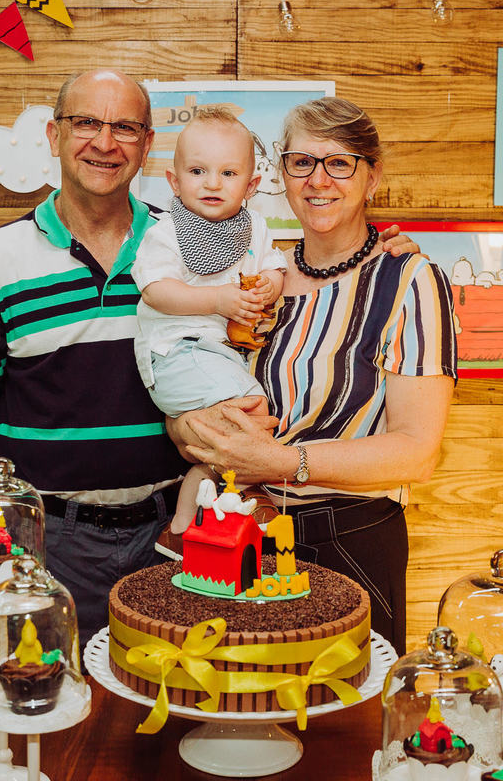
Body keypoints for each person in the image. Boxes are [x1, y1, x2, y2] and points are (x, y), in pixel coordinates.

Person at [0, 72, 417, 643]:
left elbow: (299, 274)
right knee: (47, 687)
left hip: (177, 534)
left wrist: (381, 256)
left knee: (171, 691)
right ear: (54, 135)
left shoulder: (188, 232)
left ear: (147, 145)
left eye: (125, 127)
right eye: (86, 123)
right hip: (48, 541)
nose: (105, 142)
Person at [168, 97, 458, 654]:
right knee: (239, 692)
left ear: (373, 177)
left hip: (348, 539)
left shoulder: (409, 279)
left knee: (339, 701)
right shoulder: (256, 273)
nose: (318, 180)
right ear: (281, 174)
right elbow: (190, 379)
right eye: (302, 162)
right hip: (237, 534)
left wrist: (280, 463)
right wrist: (189, 431)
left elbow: (418, 452)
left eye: (340, 163)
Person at [132, 106, 286, 536]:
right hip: (177, 351)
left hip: (220, 355)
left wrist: (269, 285)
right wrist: (217, 300)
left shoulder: (254, 228)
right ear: (174, 181)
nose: (212, 183)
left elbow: (274, 266)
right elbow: (156, 290)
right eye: (198, 171)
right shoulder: (166, 233)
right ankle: (252, 492)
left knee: (226, 432)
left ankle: (184, 523)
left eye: (228, 173)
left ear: (251, 185)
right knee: (249, 408)